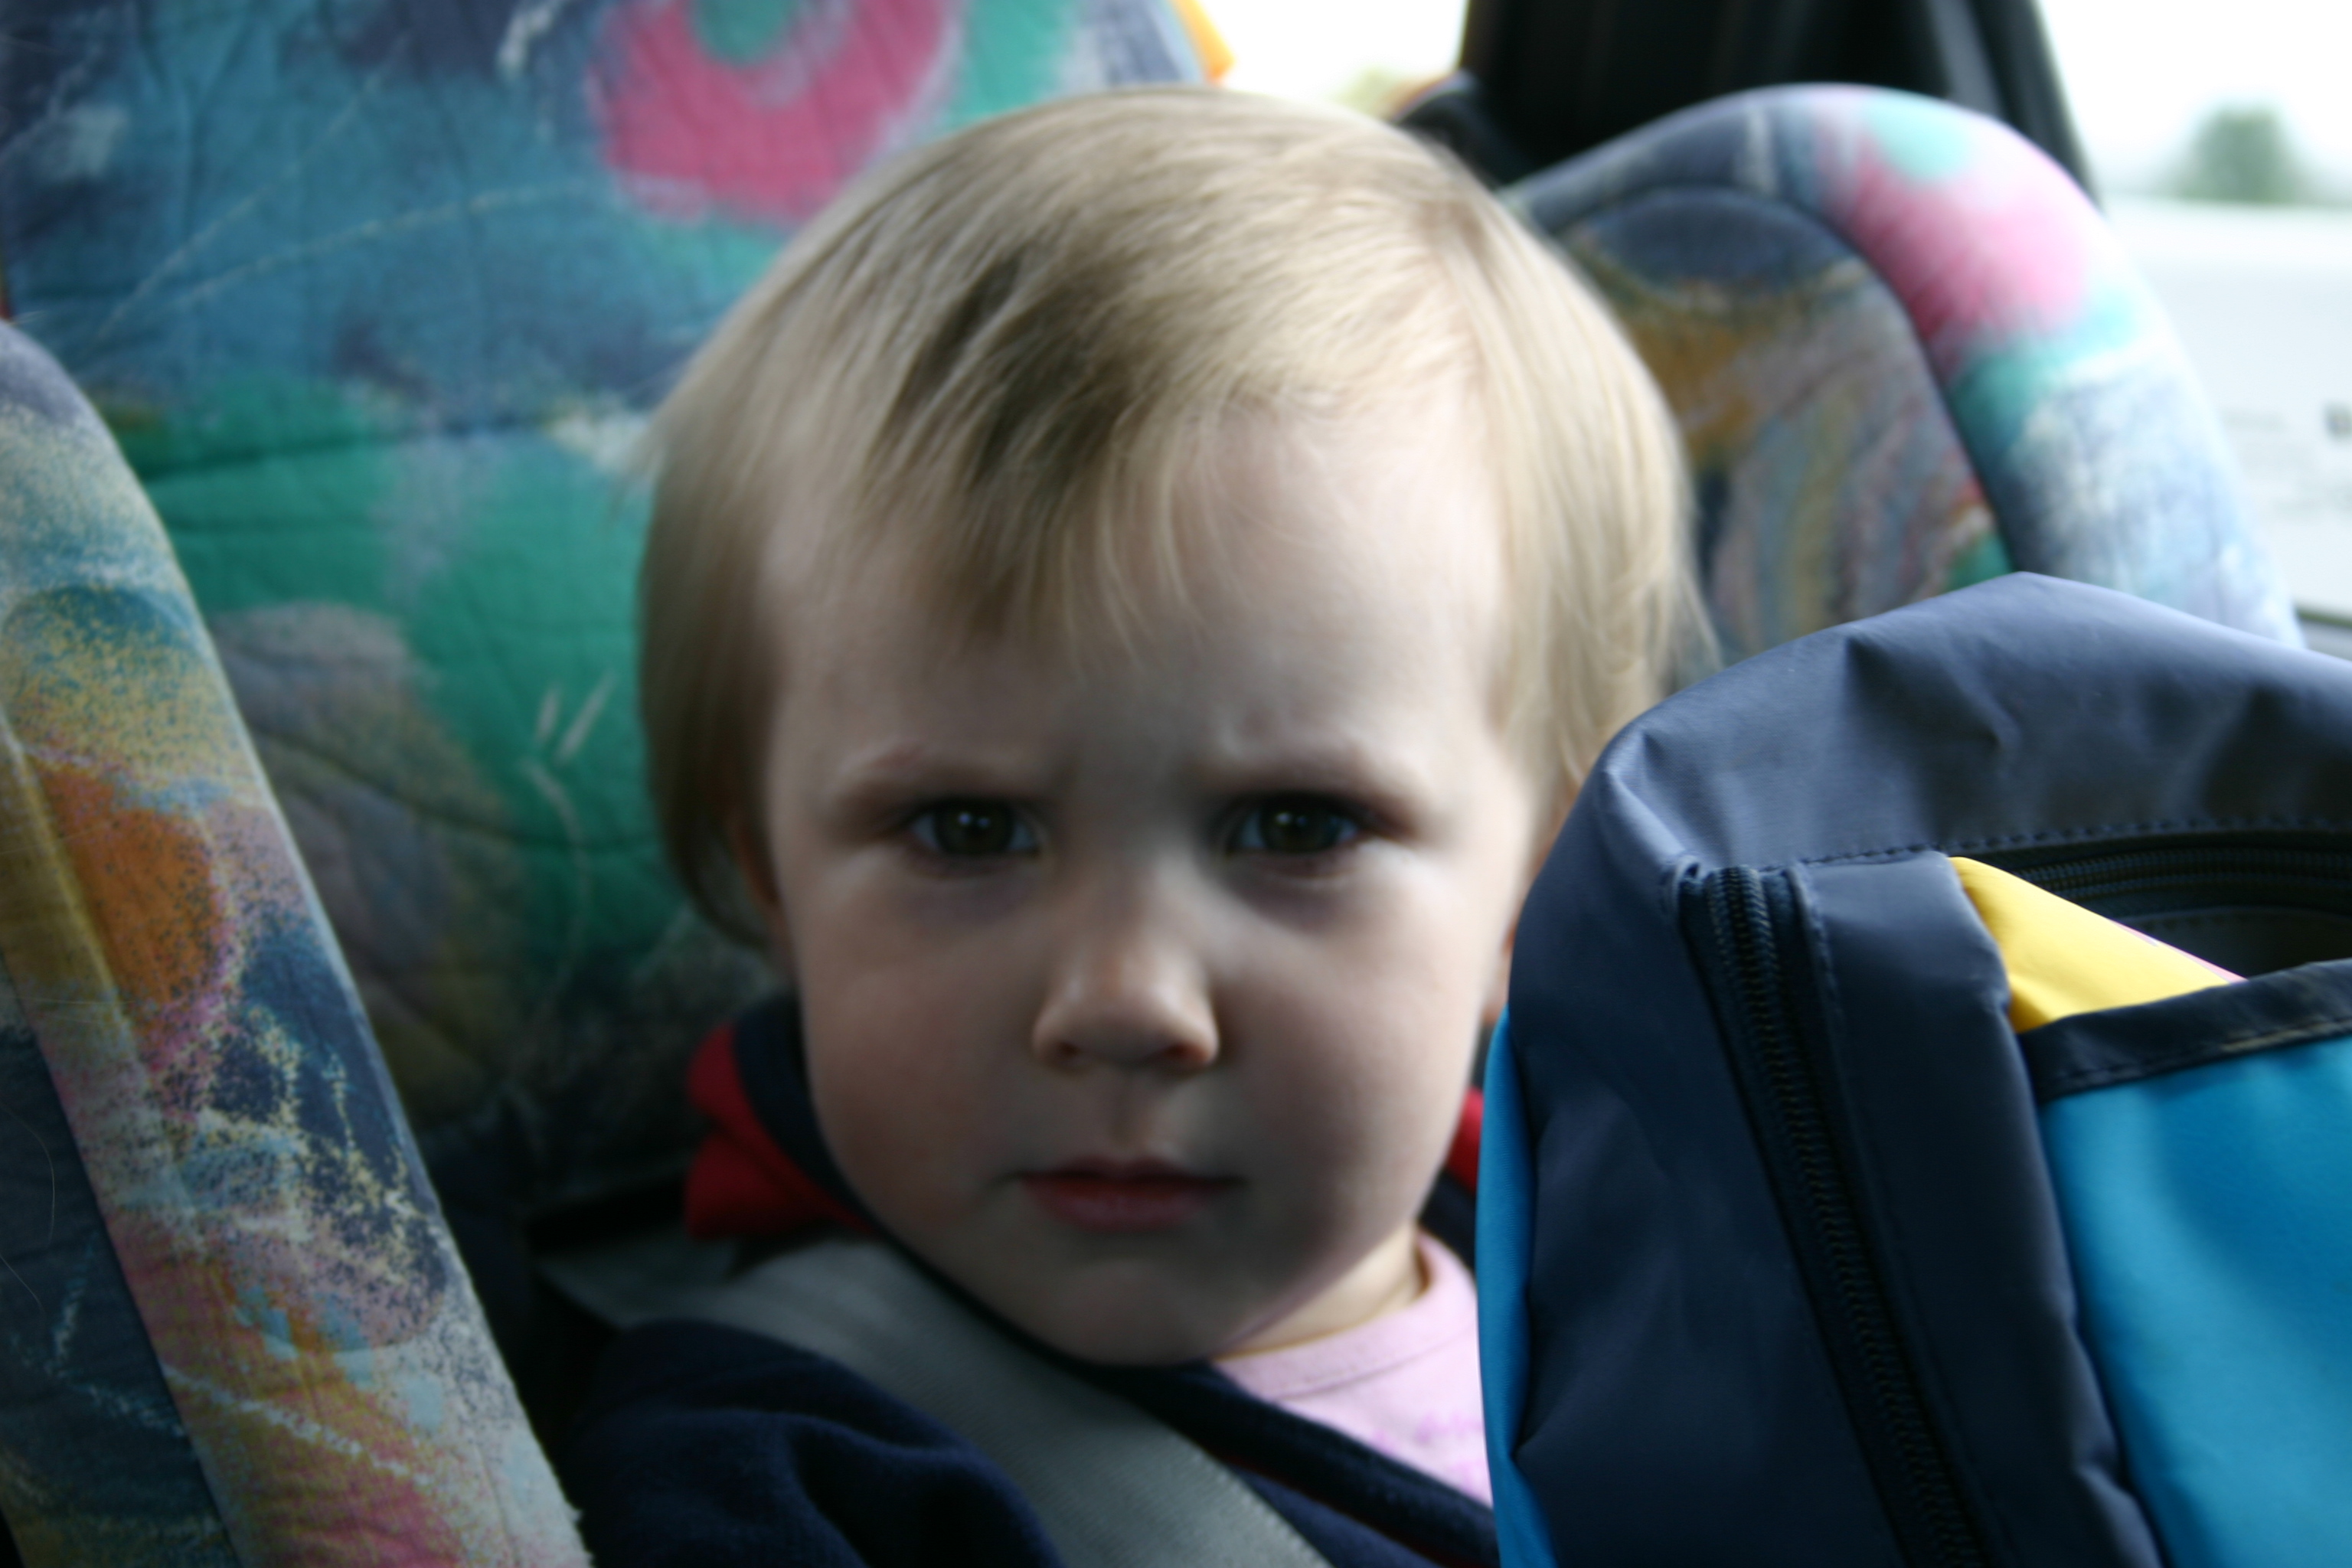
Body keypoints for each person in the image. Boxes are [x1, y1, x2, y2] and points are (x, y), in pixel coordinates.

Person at [563, 85, 1694, 1566]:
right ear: (772, 878)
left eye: (1294, 824)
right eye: (968, 829)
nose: (1126, 1003)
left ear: (1536, 889)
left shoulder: (1674, 1281)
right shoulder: (767, 1479)